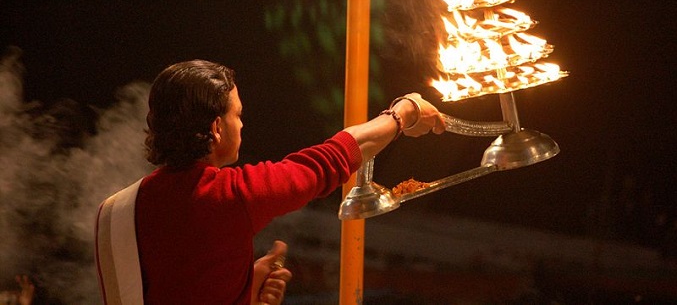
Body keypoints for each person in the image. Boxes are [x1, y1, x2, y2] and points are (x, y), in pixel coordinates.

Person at [96, 59, 445, 304]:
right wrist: (404, 112)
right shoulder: (230, 196)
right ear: (217, 128)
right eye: (238, 115)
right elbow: (335, 157)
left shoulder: (114, 210)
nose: (243, 125)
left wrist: (241, 289)